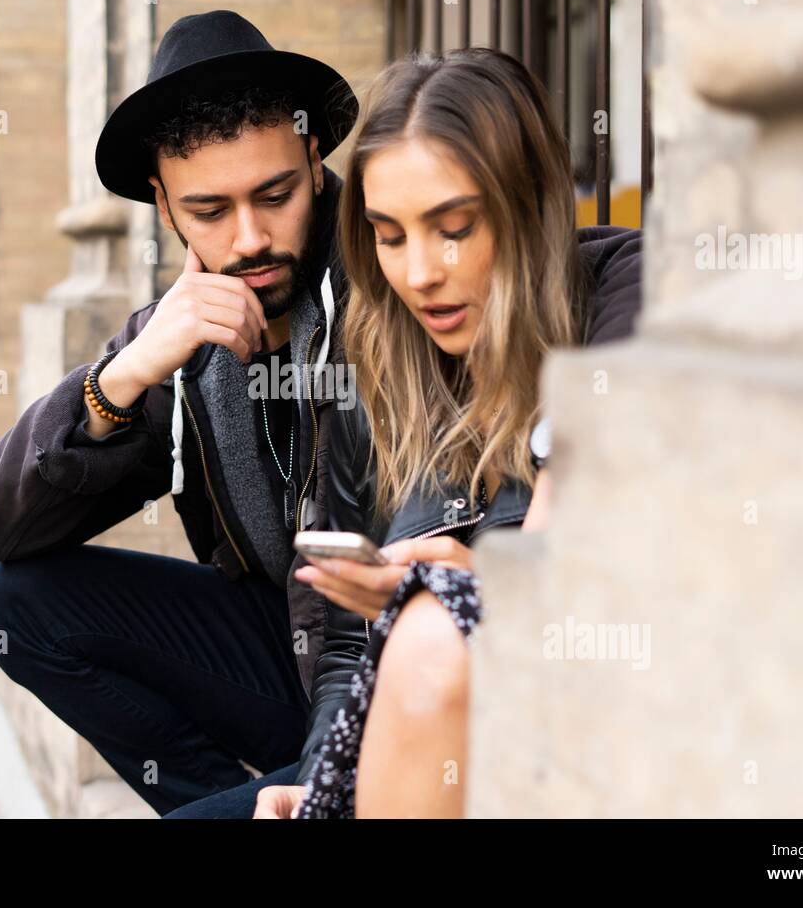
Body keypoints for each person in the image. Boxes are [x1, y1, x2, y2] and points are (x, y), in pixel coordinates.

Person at [0, 12, 639, 818]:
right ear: (164, 205)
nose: (251, 238)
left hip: (430, 672)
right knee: (16, 602)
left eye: (275, 196)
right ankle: (254, 795)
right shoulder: (185, 341)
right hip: (310, 663)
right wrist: (124, 374)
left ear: (315, 161)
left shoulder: (392, 305)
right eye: (211, 211)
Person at [248, 48, 643, 819]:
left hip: (586, 732)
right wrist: (322, 775)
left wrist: (463, 581)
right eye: (389, 237)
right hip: (414, 746)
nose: (420, 272)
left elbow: (576, 557)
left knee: (433, 631)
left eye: (453, 228)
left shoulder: (619, 291)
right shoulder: (375, 368)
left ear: (526, 205)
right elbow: (340, 651)